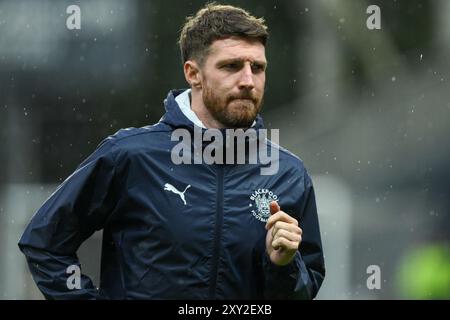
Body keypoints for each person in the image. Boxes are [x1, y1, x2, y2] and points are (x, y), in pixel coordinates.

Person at [19, 3, 325, 299]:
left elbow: (303, 290)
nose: (248, 80)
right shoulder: (130, 156)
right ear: (193, 74)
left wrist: (283, 267)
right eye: (231, 66)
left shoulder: (288, 173)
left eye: (257, 68)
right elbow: (44, 243)